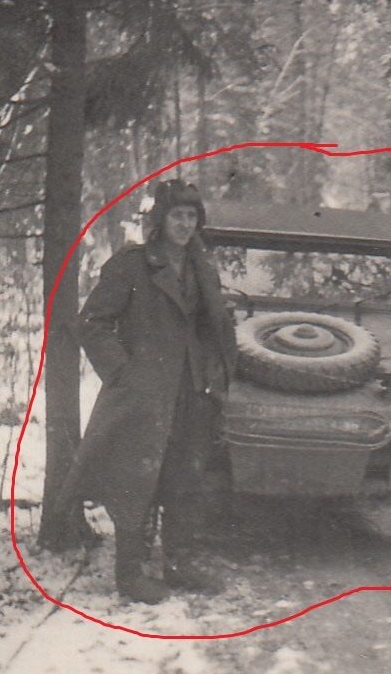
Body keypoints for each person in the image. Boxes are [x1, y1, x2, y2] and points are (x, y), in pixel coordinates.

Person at [57, 179, 238, 603]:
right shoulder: (132, 265)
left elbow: (215, 329)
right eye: (177, 216)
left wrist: (215, 376)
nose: (184, 225)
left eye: (191, 217)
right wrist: (123, 372)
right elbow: (93, 323)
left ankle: (179, 563)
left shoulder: (202, 269)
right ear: (160, 220)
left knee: (185, 478)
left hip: (191, 392)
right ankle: (129, 574)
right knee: (134, 480)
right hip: (144, 395)